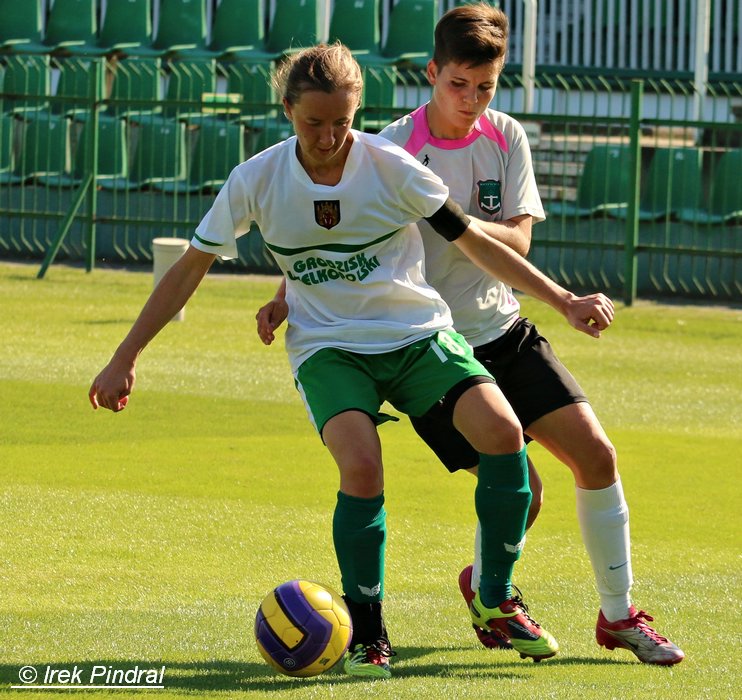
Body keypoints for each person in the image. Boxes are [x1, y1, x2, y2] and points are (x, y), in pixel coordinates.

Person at [90, 43, 613, 680]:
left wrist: (562, 299)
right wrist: (125, 356)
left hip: (417, 335)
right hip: (330, 348)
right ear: (287, 110)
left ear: (356, 111)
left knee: (505, 435)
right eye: (313, 122)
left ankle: (494, 595)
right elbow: (188, 269)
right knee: (361, 467)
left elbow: (476, 242)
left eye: (341, 121)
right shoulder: (255, 179)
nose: (328, 137)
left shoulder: (390, 165)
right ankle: (368, 638)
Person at [256, 6, 684, 667]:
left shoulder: (506, 136)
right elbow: (333, 234)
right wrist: (288, 294)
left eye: (485, 87)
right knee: (524, 490)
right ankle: (492, 596)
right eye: (459, 84)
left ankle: (619, 615)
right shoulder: (390, 146)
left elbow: (518, 240)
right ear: (433, 73)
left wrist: (459, 225)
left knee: (597, 456)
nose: (472, 99)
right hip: (429, 346)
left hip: (504, 327)